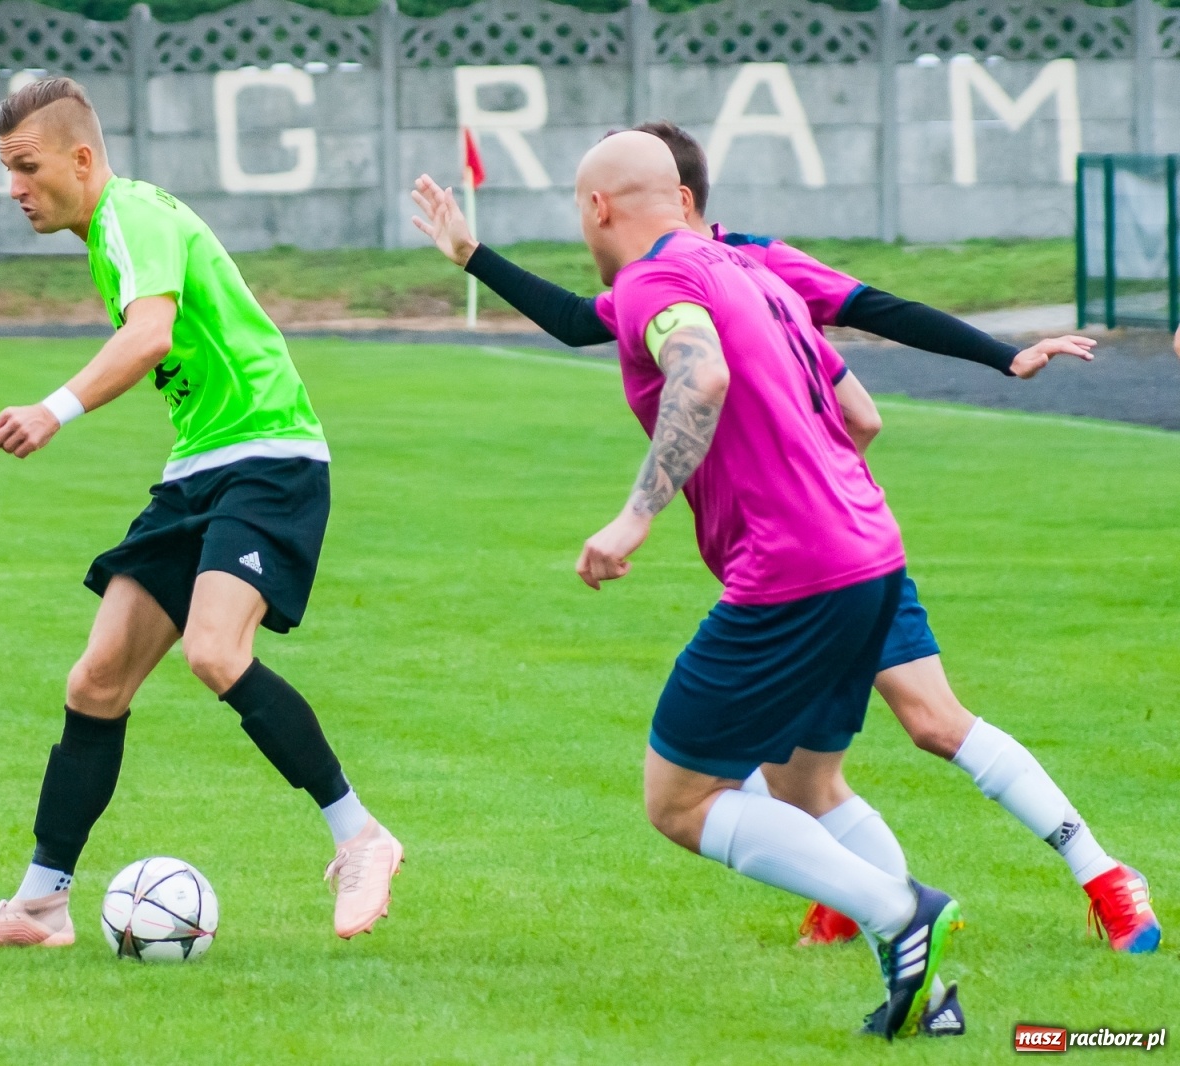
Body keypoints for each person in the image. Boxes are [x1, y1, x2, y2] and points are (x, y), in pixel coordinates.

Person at [408, 123, 1160, 960]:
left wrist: (991, 360)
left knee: (896, 731)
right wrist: (473, 254)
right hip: (859, 533)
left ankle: (910, 905)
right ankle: (912, 903)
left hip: (806, 552)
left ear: (646, 202)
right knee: (812, 768)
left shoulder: (717, 268)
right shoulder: (734, 271)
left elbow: (866, 310)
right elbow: (595, 323)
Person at [0, 78, 400, 949]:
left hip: (270, 456)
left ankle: (360, 834)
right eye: (8, 171)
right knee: (96, 681)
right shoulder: (105, 237)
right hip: (200, 470)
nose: (15, 190)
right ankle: (39, 905)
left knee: (216, 651)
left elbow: (150, 335)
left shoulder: (131, 216)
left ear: (81, 157)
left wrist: (54, 409)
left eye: (27, 168)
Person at [514, 130, 958, 1038]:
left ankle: (902, 912)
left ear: (598, 208)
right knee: (798, 784)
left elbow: (702, 371)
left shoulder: (649, 280)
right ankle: (931, 995)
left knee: (679, 799)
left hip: (792, 574)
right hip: (869, 551)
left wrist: (634, 518)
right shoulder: (754, 273)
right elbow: (859, 414)